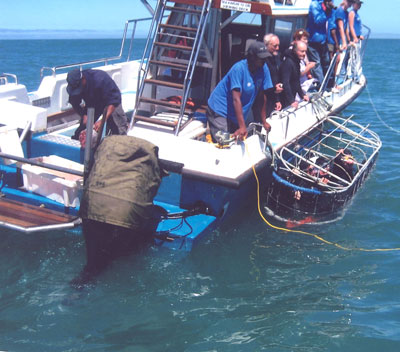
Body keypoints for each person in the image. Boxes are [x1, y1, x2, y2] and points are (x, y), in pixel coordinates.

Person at [206, 41, 273, 142]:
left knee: (236, 140)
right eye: (261, 58)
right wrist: (242, 126)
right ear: (252, 57)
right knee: (224, 142)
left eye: (265, 58)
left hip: (235, 114)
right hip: (219, 109)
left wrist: (264, 121)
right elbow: (236, 99)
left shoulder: (264, 69)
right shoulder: (238, 69)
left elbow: (262, 97)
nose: (264, 61)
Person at [66, 69, 128, 142]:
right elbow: (75, 103)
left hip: (111, 102)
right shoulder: (73, 85)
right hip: (93, 102)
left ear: (83, 79)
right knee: (81, 131)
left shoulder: (100, 78)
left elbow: (114, 101)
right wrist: (83, 115)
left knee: (119, 130)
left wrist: (102, 120)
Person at [306, 0, 337, 84]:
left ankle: (330, 84)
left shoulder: (324, 4)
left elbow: (331, 22)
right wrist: (325, 11)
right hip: (314, 41)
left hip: (323, 40)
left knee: (327, 62)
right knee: (317, 65)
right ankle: (321, 86)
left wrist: (330, 10)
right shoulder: (314, 5)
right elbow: (318, 21)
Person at [279, 41, 310, 109]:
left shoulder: (296, 61)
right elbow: (285, 83)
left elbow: (296, 81)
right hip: (283, 98)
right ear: (295, 51)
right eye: (302, 51)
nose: (304, 54)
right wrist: (291, 101)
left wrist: (302, 95)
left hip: (291, 95)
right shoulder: (288, 63)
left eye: (305, 51)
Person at [334, 0, 354, 85]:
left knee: (338, 60)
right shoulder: (340, 11)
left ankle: (335, 80)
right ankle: (333, 82)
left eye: (351, 2)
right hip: (335, 39)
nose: (350, 4)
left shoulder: (346, 12)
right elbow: (340, 27)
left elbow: (346, 29)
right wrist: (344, 42)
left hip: (340, 39)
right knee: (336, 60)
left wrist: (349, 40)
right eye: (349, 2)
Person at [263, 33, 283, 116]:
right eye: (275, 46)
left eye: (278, 46)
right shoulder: (261, 61)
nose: (277, 48)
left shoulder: (274, 59)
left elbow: (275, 79)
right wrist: (274, 89)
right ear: (266, 45)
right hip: (261, 99)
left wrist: (277, 100)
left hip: (271, 97)